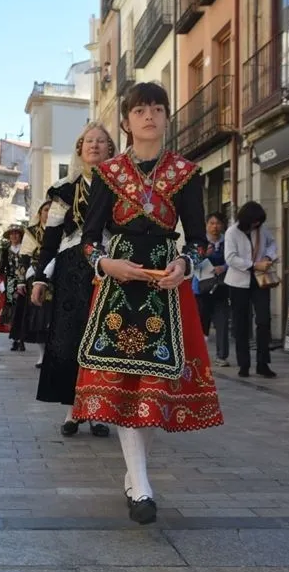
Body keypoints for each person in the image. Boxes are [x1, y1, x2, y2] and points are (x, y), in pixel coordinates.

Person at [72, 82, 224, 525]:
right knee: (122, 383)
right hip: (119, 285)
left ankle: (137, 476)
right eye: (141, 110)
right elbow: (87, 240)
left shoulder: (186, 173)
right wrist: (105, 265)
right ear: (127, 120)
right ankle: (140, 485)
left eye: (158, 108)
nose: (150, 116)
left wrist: (184, 263)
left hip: (164, 285)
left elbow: (197, 238)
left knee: (154, 387)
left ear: (166, 118)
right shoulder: (108, 174)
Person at [31, 122, 115, 439]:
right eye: (88, 141)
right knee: (69, 342)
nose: (94, 145)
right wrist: (40, 278)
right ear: (79, 148)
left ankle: (96, 410)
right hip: (70, 270)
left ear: (110, 149)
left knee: (100, 341)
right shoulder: (64, 190)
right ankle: (72, 410)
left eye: (101, 141)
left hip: (107, 269)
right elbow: (50, 240)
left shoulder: (121, 187)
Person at [224, 201, 279, 378]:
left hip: (260, 282)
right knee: (241, 323)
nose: (256, 225)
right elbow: (230, 258)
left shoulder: (261, 229)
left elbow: (272, 243)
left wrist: (269, 256)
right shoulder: (232, 232)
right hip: (238, 282)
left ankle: (263, 363)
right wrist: (254, 265)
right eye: (254, 222)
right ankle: (244, 364)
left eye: (259, 222)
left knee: (263, 320)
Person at [194, 212, 230, 366]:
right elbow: (191, 263)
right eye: (211, 223)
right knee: (202, 323)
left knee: (222, 322)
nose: (215, 227)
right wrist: (203, 256)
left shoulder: (227, 243)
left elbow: (232, 259)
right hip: (202, 289)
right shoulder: (200, 243)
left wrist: (223, 267)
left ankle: (222, 356)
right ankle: (199, 354)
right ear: (206, 225)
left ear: (222, 225)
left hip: (221, 288)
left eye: (218, 223)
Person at [22, 200, 53, 368]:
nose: (48, 213)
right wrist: (21, 280)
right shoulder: (32, 232)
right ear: (40, 213)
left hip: (56, 276)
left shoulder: (62, 231)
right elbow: (24, 256)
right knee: (40, 317)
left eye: (51, 210)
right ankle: (42, 354)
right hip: (36, 277)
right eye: (45, 210)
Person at [0, 225, 28, 350]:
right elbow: (1, 269)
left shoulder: (25, 249)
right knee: (12, 310)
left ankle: (22, 339)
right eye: (12, 234)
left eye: (17, 233)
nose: (14, 236)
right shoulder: (6, 251)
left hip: (25, 281)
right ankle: (15, 338)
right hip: (11, 282)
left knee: (23, 309)